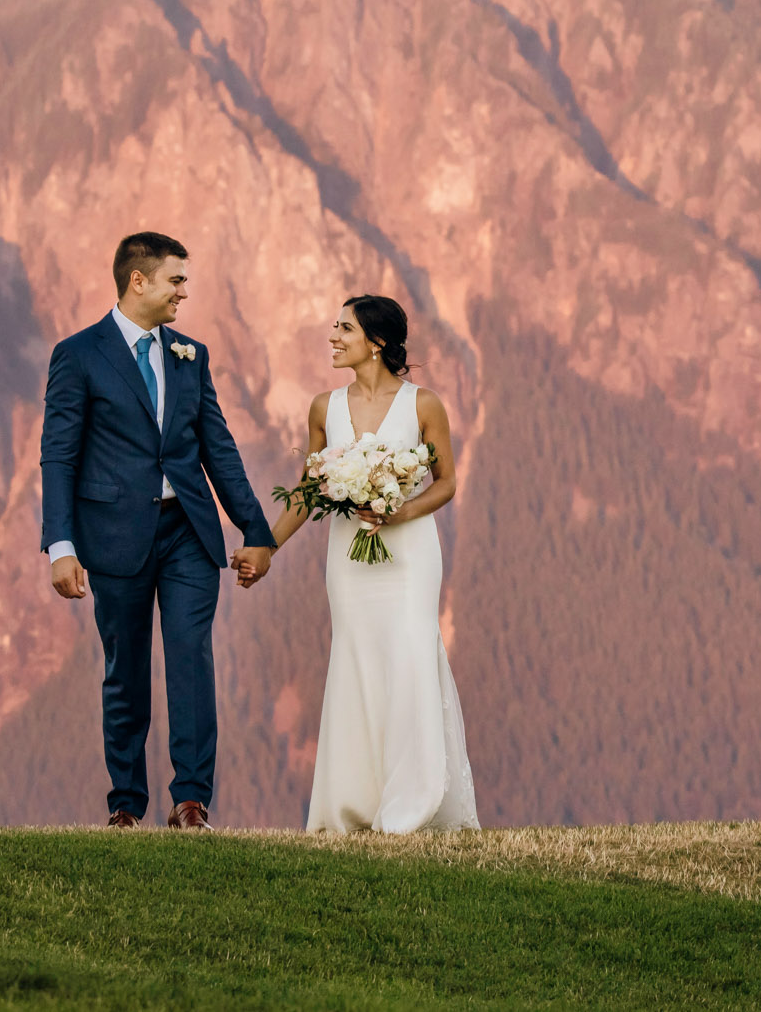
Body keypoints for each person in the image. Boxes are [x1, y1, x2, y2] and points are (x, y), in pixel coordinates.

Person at [40, 231, 277, 829]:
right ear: (137, 281)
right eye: (175, 280)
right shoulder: (79, 354)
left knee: (192, 659)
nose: (184, 292)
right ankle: (126, 804)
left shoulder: (190, 353)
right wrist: (60, 545)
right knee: (125, 671)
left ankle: (191, 801)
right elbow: (59, 455)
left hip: (189, 535)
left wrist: (256, 530)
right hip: (113, 536)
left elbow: (217, 449)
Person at [269, 294, 479, 833]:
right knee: (356, 660)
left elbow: (448, 483)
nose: (333, 337)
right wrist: (266, 547)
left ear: (377, 342)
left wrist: (400, 509)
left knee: (409, 652)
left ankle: (412, 804)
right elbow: (310, 490)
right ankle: (353, 805)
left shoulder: (423, 404)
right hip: (349, 557)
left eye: (344, 329)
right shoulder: (323, 408)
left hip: (408, 554)